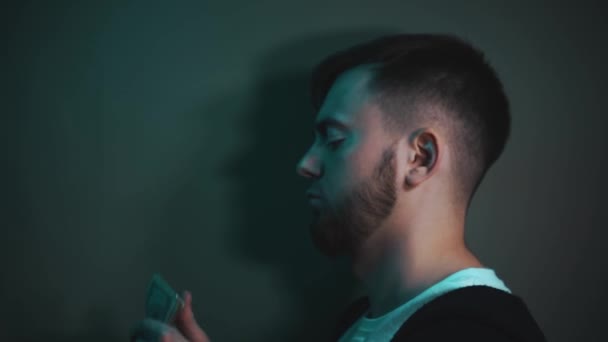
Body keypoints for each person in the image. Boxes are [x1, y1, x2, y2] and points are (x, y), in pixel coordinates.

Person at [131, 34, 547, 341]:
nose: (305, 164)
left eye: (333, 139)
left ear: (419, 158)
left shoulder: (480, 332)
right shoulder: (359, 321)